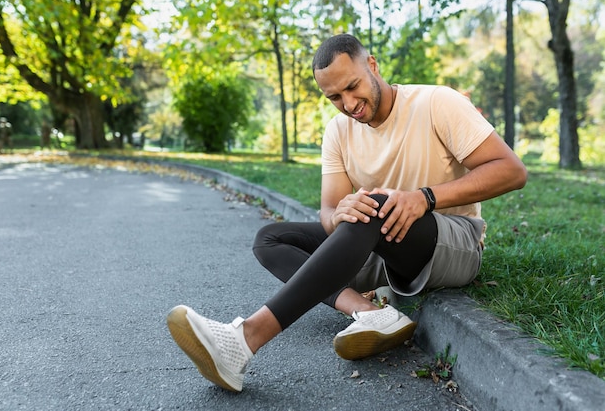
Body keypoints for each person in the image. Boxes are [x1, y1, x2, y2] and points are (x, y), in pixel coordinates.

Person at [166, 33, 528, 392]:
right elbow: (328, 211)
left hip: (453, 242)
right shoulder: (338, 131)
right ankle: (371, 313)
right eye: (334, 97)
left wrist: (425, 198)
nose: (349, 103)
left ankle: (246, 338)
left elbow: (512, 170)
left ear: (372, 65)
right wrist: (340, 213)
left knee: (374, 208)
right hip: (383, 244)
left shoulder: (436, 102)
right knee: (272, 238)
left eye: (353, 87)